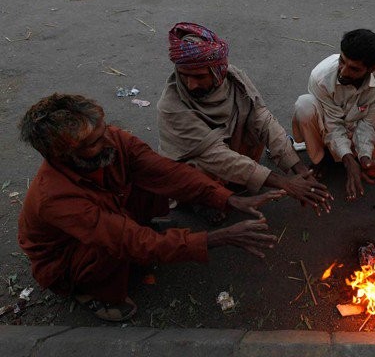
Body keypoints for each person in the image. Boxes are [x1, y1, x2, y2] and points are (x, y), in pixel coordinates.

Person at [18, 94, 286, 322]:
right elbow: (128, 239)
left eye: (104, 130)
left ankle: (148, 239)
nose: (108, 141)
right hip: (70, 257)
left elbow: (167, 173)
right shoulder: (54, 198)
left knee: (154, 181)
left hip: (114, 220)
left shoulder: (113, 140)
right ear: (65, 156)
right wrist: (220, 237)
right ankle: (92, 292)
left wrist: (228, 198)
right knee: (119, 244)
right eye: (94, 143)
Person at [158, 22, 331, 219]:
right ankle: (206, 202)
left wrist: (299, 170)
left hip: (229, 151)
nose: (190, 84)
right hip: (201, 160)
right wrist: (284, 183)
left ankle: (236, 182)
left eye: (199, 76)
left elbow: (263, 120)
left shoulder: (235, 79)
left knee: (254, 123)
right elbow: (215, 155)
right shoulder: (171, 106)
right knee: (196, 168)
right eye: (184, 75)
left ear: (218, 72)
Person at [292, 29, 375, 200]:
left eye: (354, 69)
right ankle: (322, 159)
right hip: (328, 129)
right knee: (304, 105)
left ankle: (371, 162)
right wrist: (348, 161)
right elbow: (332, 124)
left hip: (358, 129)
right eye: (342, 61)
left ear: (372, 69)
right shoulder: (321, 76)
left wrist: (364, 157)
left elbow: (368, 123)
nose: (343, 71)